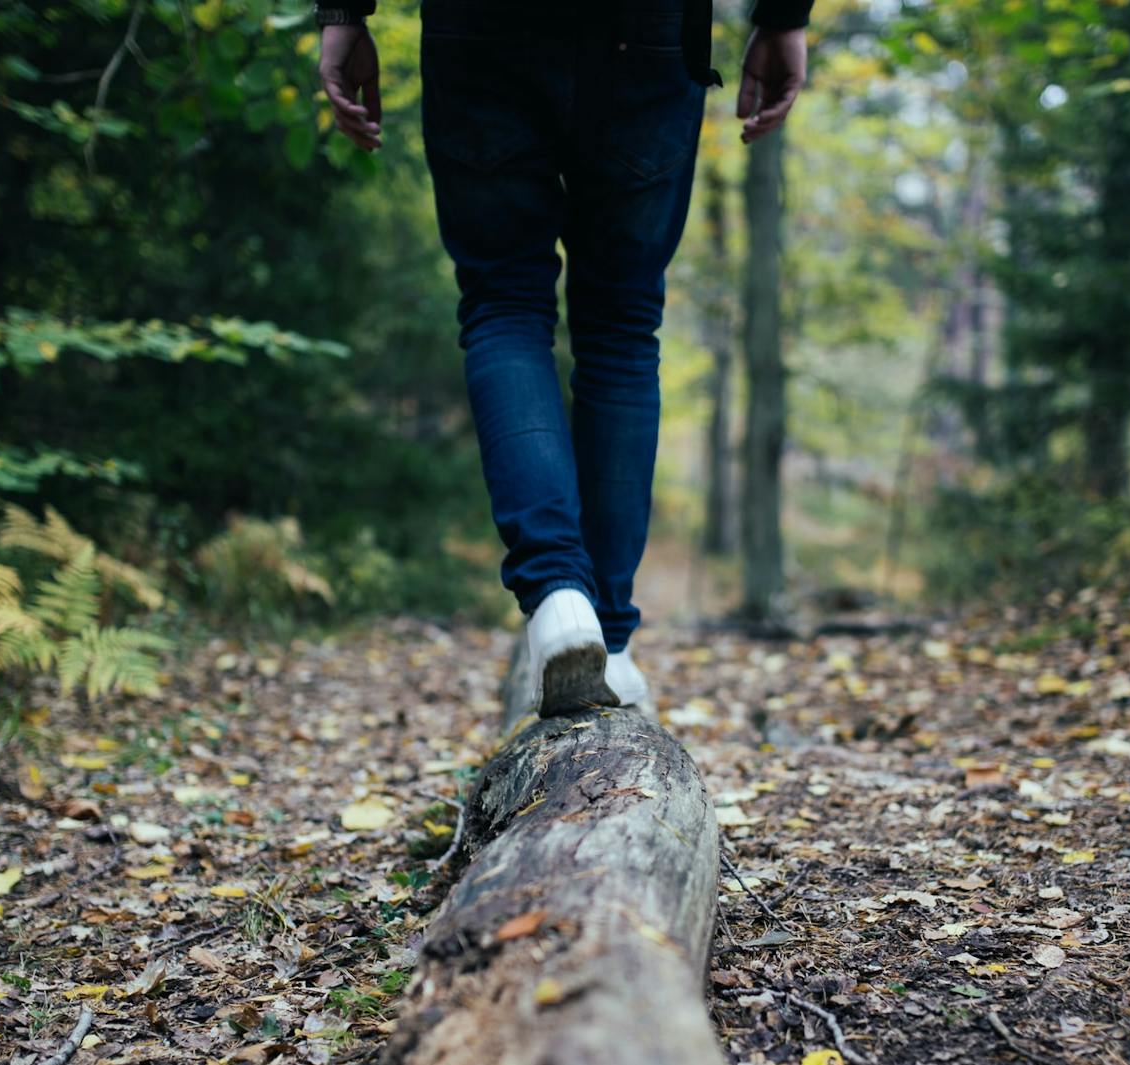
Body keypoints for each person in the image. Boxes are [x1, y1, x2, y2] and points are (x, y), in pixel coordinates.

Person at [317, 0, 810, 716]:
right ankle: (607, 639)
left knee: (505, 304)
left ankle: (558, 601)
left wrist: (341, 13)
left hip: (478, 29)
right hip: (647, 30)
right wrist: (784, 17)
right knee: (620, 328)